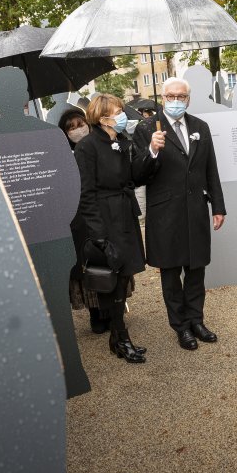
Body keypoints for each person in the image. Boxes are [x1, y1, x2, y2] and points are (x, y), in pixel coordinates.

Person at [133, 77, 226, 350]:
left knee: (196, 268)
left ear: (188, 98)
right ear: (163, 98)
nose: (176, 100)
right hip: (165, 214)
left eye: (181, 96)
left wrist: (218, 207)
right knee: (171, 273)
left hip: (195, 209)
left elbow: (210, 169)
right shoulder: (147, 128)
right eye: (171, 96)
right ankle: (181, 326)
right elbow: (137, 175)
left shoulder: (200, 127)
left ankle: (196, 319)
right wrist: (152, 150)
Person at [75, 94, 164, 363]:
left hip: (124, 215)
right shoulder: (88, 147)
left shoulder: (122, 142)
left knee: (124, 276)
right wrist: (98, 235)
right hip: (105, 218)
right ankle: (121, 338)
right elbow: (86, 194)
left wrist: (152, 150)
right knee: (112, 280)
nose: (123, 114)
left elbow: (137, 176)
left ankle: (117, 338)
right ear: (103, 118)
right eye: (117, 111)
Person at [57, 108, 110, 334]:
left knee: (109, 260)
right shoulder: (62, 157)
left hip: (106, 212)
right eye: (71, 127)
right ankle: (95, 312)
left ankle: (112, 307)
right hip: (79, 220)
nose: (77, 130)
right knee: (87, 265)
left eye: (80, 124)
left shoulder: (103, 147)